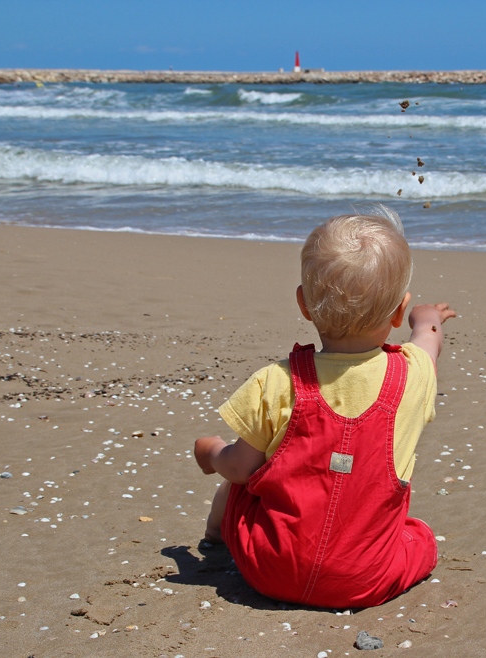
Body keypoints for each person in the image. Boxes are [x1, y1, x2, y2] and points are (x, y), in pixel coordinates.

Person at [193, 206, 455, 608]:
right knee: (418, 537)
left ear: (304, 304)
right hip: (364, 580)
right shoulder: (414, 375)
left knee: (241, 484)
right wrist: (428, 319)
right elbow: (428, 342)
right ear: (399, 312)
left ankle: (214, 536)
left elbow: (239, 468)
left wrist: (211, 453)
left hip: (268, 569)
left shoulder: (277, 381)